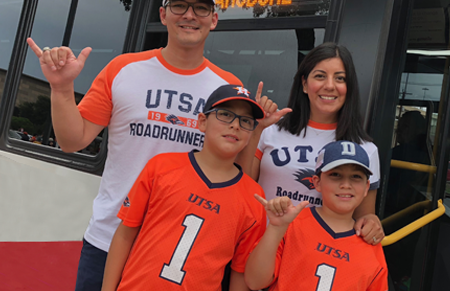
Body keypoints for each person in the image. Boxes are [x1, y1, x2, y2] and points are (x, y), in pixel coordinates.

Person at [26, 0, 243, 291]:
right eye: (179, 5)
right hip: (108, 238)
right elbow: (73, 141)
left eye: (201, 8)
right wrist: (61, 88)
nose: (189, 15)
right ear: (163, 14)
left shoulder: (229, 87)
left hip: (178, 251)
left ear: (213, 19)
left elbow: (232, 171)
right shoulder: (123, 69)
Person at [101, 84, 267, 291]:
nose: (235, 125)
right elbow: (125, 235)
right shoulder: (162, 167)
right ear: (202, 122)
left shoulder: (254, 197)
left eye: (246, 121)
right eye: (225, 114)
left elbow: (239, 272)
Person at [236, 42, 384, 245]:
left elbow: (364, 216)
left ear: (349, 87)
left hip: (315, 255)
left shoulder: (366, 150)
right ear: (304, 84)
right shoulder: (270, 129)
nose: (330, 85)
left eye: (340, 78)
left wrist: (372, 223)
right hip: (259, 244)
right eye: (320, 76)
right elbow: (242, 186)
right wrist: (256, 130)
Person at [245, 140, 388, 291]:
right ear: (317, 182)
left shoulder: (370, 243)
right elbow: (255, 282)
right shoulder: (292, 224)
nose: (346, 184)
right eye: (336, 175)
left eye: (356, 177)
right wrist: (275, 228)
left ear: (366, 187)